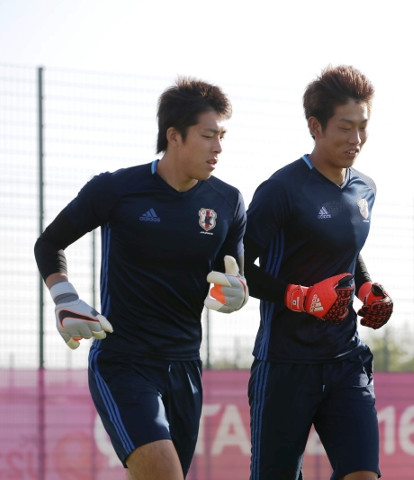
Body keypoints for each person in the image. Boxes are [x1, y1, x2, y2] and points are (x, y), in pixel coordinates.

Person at [34, 77, 249, 480]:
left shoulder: (228, 201)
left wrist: (237, 294)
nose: (218, 147)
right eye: (208, 136)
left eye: (222, 136)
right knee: (165, 473)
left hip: (185, 364)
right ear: (174, 136)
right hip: (123, 360)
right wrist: (64, 299)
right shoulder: (117, 189)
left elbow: (231, 274)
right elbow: (49, 244)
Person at [243, 65, 393, 480]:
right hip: (285, 365)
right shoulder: (281, 189)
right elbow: (236, 268)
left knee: (363, 474)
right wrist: (302, 297)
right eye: (345, 127)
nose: (356, 139)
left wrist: (366, 287)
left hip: (346, 359)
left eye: (363, 127)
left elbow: (347, 251)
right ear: (315, 126)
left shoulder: (366, 189)